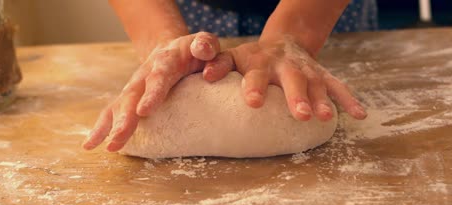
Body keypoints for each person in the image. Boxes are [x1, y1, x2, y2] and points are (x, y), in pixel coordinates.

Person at [83, 0, 376, 152]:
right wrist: (162, 42)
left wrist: (296, 34)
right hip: (193, 9)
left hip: (320, 12)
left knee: (298, 83)